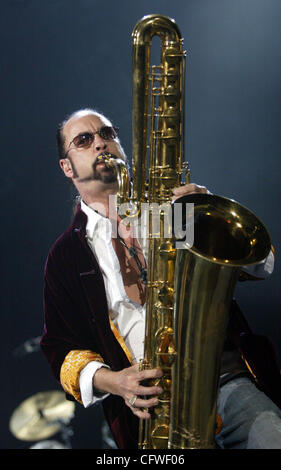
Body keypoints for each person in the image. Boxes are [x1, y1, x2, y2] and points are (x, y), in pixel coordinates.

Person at [41, 108, 281, 449]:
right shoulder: (65, 255)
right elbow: (60, 350)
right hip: (153, 414)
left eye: (108, 134)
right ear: (67, 166)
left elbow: (260, 264)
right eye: (84, 140)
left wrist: (202, 214)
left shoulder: (166, 209)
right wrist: (116, 382)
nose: (100, 144)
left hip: (221, 379)